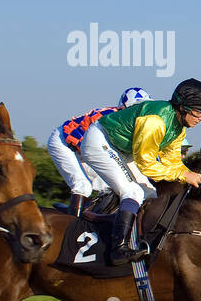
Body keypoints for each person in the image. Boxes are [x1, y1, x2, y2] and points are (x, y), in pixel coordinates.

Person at [81, 78, 201, 265]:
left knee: (150, 193)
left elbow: (172, 162)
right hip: (100, 141)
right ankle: (118, 249)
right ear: (183, 107)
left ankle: (136, 238)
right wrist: (184, 175)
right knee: (132, 191)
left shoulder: (178, 129)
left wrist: (193, 177)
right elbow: (147, 163)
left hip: (123, 149)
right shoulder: (156, 120)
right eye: (199, 112)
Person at [47, 87, 152, 217]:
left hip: (81, 147)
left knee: (108, 187)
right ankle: (73, 224)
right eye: (135, 109)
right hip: (63, 142)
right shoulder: (107, 117)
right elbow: (85, 148)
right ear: (122, 108)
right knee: (83, 186)